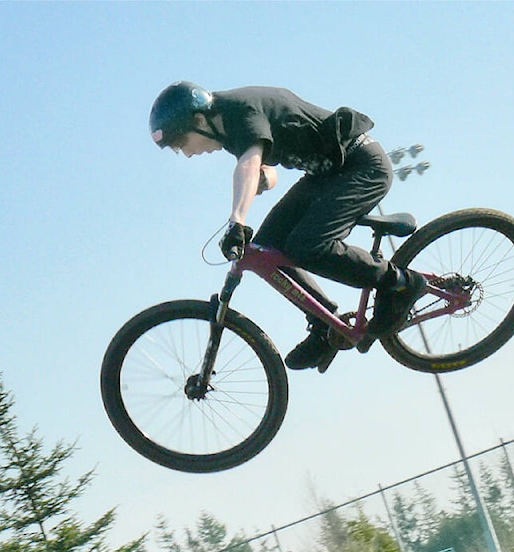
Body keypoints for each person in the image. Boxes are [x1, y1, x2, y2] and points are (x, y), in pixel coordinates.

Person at [149, 81, 426, 371]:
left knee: (309, 245)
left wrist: (237, 221)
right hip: (328, 174)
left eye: (181, 144)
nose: (187, 154)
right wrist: (261, 179)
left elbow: (247, 163)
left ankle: (401, 284)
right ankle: (323, 322)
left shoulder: (240, 111)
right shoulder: (228, 126)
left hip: (362, 165)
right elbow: (262, 168)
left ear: (198, 120)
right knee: (267, 248)